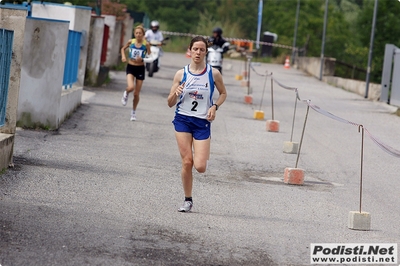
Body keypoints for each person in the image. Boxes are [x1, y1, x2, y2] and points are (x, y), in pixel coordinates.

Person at [167, 36, 227, 212]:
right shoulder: (181, 74)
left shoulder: (213, 73)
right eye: (195, 49)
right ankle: (188, 200)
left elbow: (223, 93)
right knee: (187, 162)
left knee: (200, 167)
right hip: (183, 119)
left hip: (202, 122)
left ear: (206, 52)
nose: (198, 52)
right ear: (190, 51)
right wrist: (175, 94)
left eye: (202, 49)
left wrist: (215, 106)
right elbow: (170, 103)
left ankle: (201, 159)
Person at [120, 25, 150, 121]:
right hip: (131, 67)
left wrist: (143, 58)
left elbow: (150, 57)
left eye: (140, 33)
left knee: (136, 93)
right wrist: (123, 57)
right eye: (136, 33)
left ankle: (133, 112)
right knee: (131, 87)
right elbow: (122, 49)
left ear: (143, 34)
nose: (138, 35)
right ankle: (126, 93)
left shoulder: (146, 44)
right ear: (134, 34)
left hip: (140, 68)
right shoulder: (130, 42)